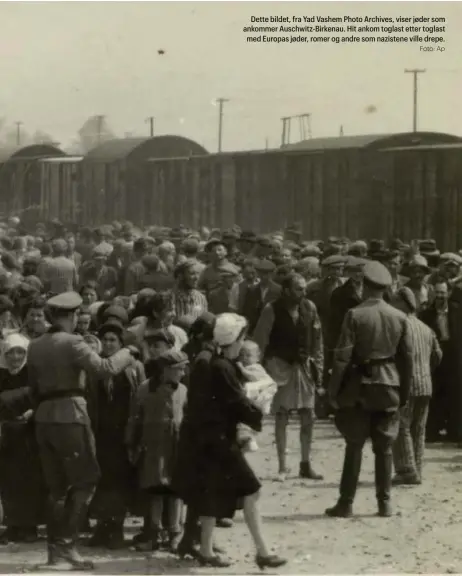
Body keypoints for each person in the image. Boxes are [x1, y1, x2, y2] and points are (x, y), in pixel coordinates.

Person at [27, 291, 136, 570]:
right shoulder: (73, 342)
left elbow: (35, 387)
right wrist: (128, 351)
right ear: (73, 315)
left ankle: (56, 552)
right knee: (86, 479)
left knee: (56, 488)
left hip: (44, 418)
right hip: (71, 416)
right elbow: (104, 368)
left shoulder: (36, 345)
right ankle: (66, 547)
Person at [175, 312, 286, 569]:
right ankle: (262, 551)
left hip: (208, 441)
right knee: (252, 490)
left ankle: (206, 549)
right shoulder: (223, 367)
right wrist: (258, 409)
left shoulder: (214, 362)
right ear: (235, 338)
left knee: (211, 493)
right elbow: (238, 404)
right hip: (221, 442)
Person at [326, 261, 413, 518]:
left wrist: (333, 391)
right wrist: (404, 393)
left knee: (354, 445)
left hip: (358, 387)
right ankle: (384, 503)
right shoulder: (399, 317)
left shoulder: (354, 315)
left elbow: (342, 359)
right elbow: (406, 360)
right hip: (389, 386)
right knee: (384, 447)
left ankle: (346, 502)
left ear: (364, 286)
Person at [253, 272, 324, 481]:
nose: (303, 292)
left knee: (307, 415)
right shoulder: (271, 310)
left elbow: (318, 341)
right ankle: (283, 467)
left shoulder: (309, 308)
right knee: (282, 416)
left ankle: (305, 463)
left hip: (303, 367)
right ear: (286, 290)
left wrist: (318, 369)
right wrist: (261, 373)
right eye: (298, 289)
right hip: (280, 367)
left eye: (304, 289)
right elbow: (260, 340)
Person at [127, 349, 188, 553]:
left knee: (175, 490)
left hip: (176, 447)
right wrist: (130, 444)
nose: (183, 372)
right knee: (154, 490)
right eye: (179, 369)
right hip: (153, 448)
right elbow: (134, 417)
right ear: (166, 370)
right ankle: (153, 533)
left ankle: (175, 533)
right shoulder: (145, 389)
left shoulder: (183, 390)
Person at [391, 287, 442, 485]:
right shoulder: (426, 328)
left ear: (403, 302)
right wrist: (427, 369)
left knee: (401, 426)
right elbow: (438, 355)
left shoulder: (400, 325)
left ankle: (406, 470)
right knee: (419, 428)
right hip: (426, 384)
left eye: (395, 300)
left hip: (407, 384)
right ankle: (417, 468)